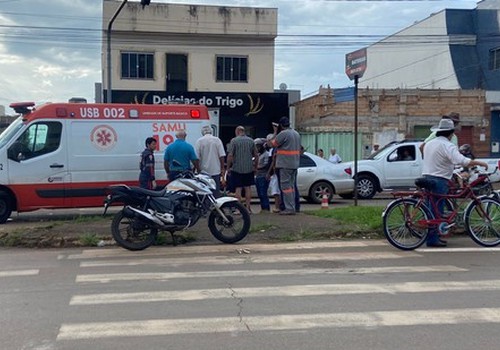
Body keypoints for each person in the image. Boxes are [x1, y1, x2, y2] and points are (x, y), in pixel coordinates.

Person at [421, 118, 488, 247]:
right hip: (439, 179)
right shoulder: (447, 145)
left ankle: (431, 236)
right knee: (437, 210)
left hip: (427, 176)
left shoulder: (430, 143)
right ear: (451, 133)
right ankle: (433, 239)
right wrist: (480, 162)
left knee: (430, 208)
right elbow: (462, 160)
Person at [267, 117, 301, 215]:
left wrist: (274, 132)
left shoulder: (283, 134)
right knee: (291, 187)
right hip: (294, 164)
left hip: (285, 164)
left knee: (286, 187)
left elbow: (272, 144)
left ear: (281, 125)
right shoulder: (296, 133)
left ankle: (289, 208)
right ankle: (292, 207)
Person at [226, 126, 258, 213]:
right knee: (248, 188)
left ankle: (238, 209)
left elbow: (230, 155)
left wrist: (228, 167)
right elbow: (256, 154)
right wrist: (255, 166)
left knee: (238, 188)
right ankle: (248, 208)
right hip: (249, 168)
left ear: (238, 131)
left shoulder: (234, 141)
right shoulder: (251, 141)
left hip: (237, 168)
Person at [195, 125, 226, 197]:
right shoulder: (217, 140)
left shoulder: (199, 141)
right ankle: (215, 207)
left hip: (203, 172)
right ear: (211, 132)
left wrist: (198, 169)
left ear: (202, 132)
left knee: (204, 193)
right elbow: (222, 156)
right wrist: (222, 168)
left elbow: (196, 158)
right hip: (215, 171)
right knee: (215, 193)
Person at [254, 138, 271, 212]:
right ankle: (262, 208)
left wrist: (257, 167)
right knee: (259, 193)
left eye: (258, 146)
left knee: (263, 192)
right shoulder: (258, 155)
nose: (257, 148)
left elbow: (266, 165)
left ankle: (266, 208)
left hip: (263, 175)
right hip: (258, 175)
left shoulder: (266, 154)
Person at [266, 134, 282, 213]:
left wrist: (269, 172)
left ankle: (277, 207)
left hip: (275, 173)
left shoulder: (274, 150)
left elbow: (272, 162)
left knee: (276, 191)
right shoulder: (272, 150)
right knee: (276, 190)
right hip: (275, 172)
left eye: (268, 141)